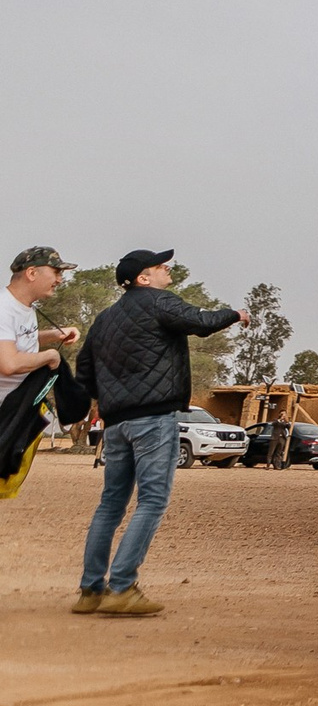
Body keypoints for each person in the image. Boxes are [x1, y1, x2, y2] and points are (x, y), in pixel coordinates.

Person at [75, 251, 240, 615]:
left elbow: (84, 372)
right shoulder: (157, 301)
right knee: (151, 501)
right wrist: (236, 314)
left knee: (110, 505)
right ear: (142, 279)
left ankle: (90, 591)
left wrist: (108, 398)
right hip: (155, 419)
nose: (168, 268)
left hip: (116, 425)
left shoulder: (103, 319)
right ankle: (122, 588)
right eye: (160, 266)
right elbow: (201, 321)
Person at [2, 247, 79, 406]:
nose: (59, 280)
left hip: (14, 407)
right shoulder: (4, 308)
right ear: (31, 273)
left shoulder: (24, 307)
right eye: (56, 272)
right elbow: (9, 363)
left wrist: (54, 335)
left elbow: (14, 341)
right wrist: (50, 356)